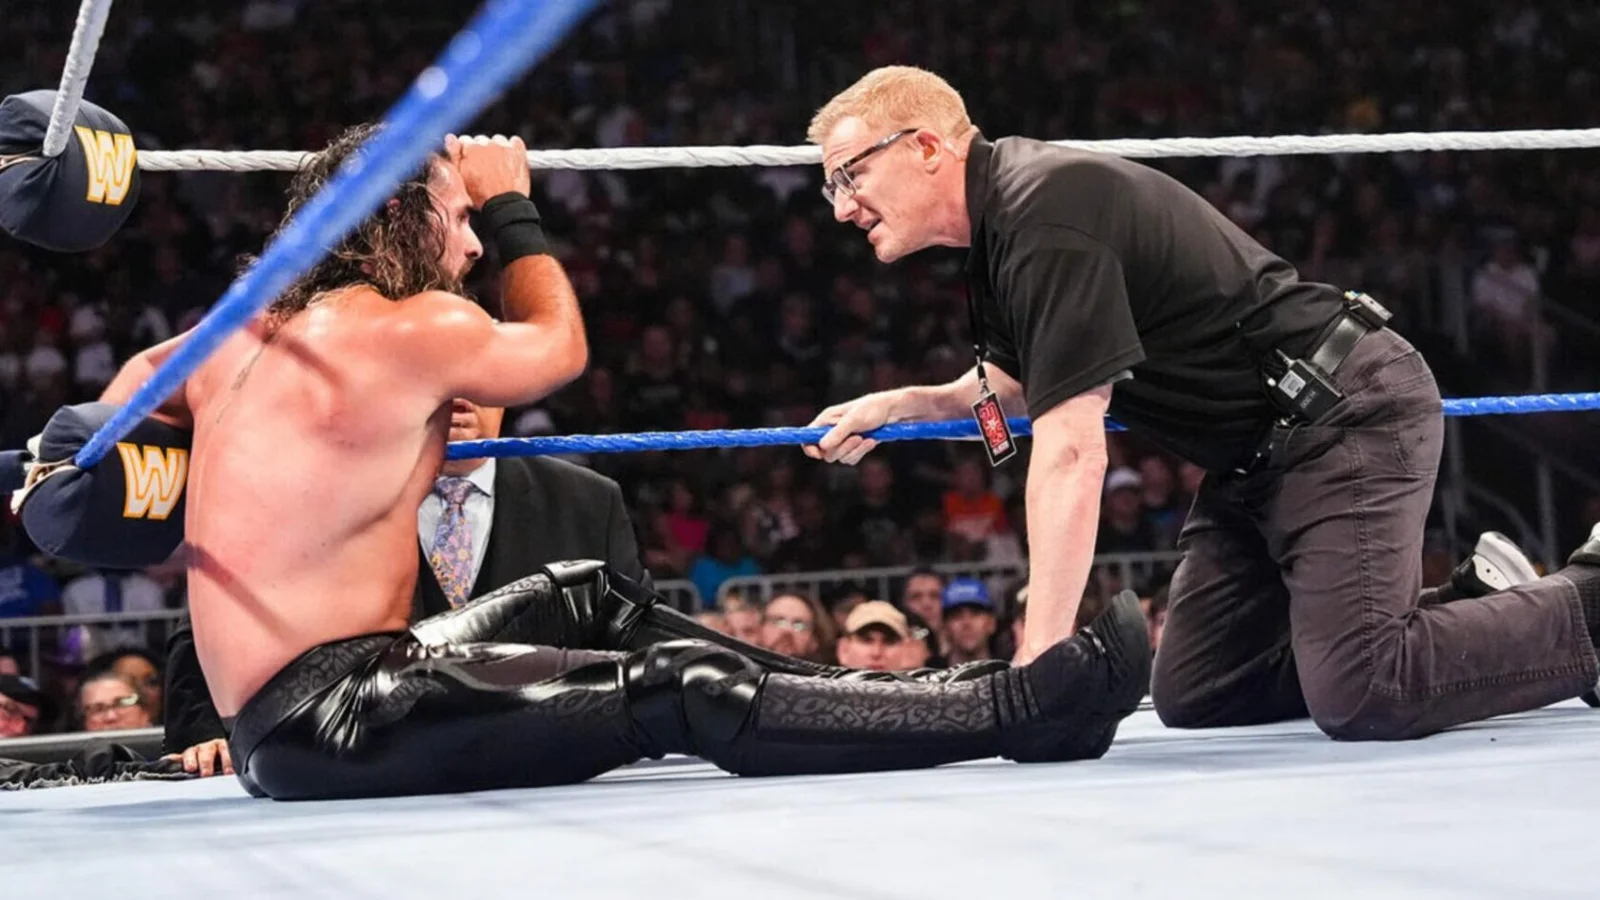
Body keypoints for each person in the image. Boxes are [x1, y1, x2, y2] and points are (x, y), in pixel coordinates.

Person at [23, 124, 1147, 800]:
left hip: (336, 692)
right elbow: (557, 348)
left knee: (585, 594)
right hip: (337, 716)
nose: (470, 246)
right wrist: (516, 208)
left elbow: (115, 408)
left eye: (479, 225)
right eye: (456, 220)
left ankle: (919, 695)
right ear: (404, 216)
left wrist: (73, 475)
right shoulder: (408, 325)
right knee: (679, 692)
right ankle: (1013, 707)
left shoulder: (227, 337)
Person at [802, 65, 1600, 741]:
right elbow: (1018, 386)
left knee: (1365, 690)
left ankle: (1589, 600)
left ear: (926, 147)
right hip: (1256, 454)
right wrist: (899, 406)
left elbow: (1073, 449)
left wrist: (1037, 662)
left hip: (1339, 412)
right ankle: (1478, 609)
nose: (840, 206)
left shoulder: (1044, 210)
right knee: (1200, 689)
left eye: (850, 175)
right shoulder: (1005, 229)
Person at [158, 395, 651, 777]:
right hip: (371, 773)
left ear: (506, 389)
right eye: (442, 374)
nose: (460, 394)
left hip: (548, 766)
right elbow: (214, 613)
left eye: (477, 375)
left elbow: (637, 630)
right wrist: (204, 733)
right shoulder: (327, 493)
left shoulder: (585, 500)